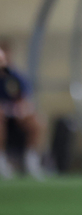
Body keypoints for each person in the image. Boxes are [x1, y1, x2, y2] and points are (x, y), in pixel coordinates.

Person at [0, 46, 44, 180]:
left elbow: (27, 100)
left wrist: (21, 109)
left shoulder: (16, 77)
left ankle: (31, 160)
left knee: (38, 123)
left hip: (15, 115)